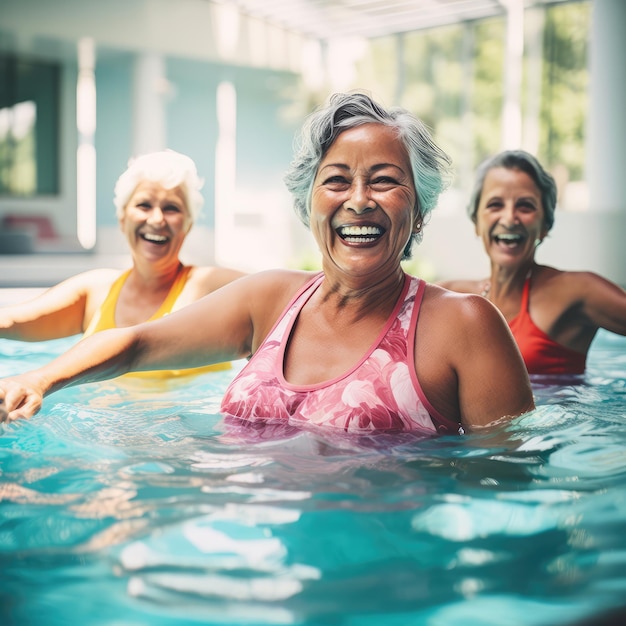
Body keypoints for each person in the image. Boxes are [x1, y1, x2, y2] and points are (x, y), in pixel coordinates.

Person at [0, 92, 534, 433]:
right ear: (309, 204)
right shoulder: (270, 299)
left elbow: (511, 492)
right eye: (337, 179)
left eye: (386, 179)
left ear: (418, 211)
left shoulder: (464, 325)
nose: (359, 199)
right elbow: (138, 342)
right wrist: (41, 379)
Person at [0, 149, 245, 377]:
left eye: (171, 208)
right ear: (122, 218)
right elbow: (11, 320)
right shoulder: (95, 291)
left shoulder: (212, 288)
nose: (157, 219)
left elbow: (279, 302)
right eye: (144, 205)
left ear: (187, 224)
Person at [439, 150, 626, 376]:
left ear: (545, 226)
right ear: (476, 222)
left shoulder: (575, 291)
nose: (509, 219)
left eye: (525, 206)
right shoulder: (448, 297)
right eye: (495, 204)